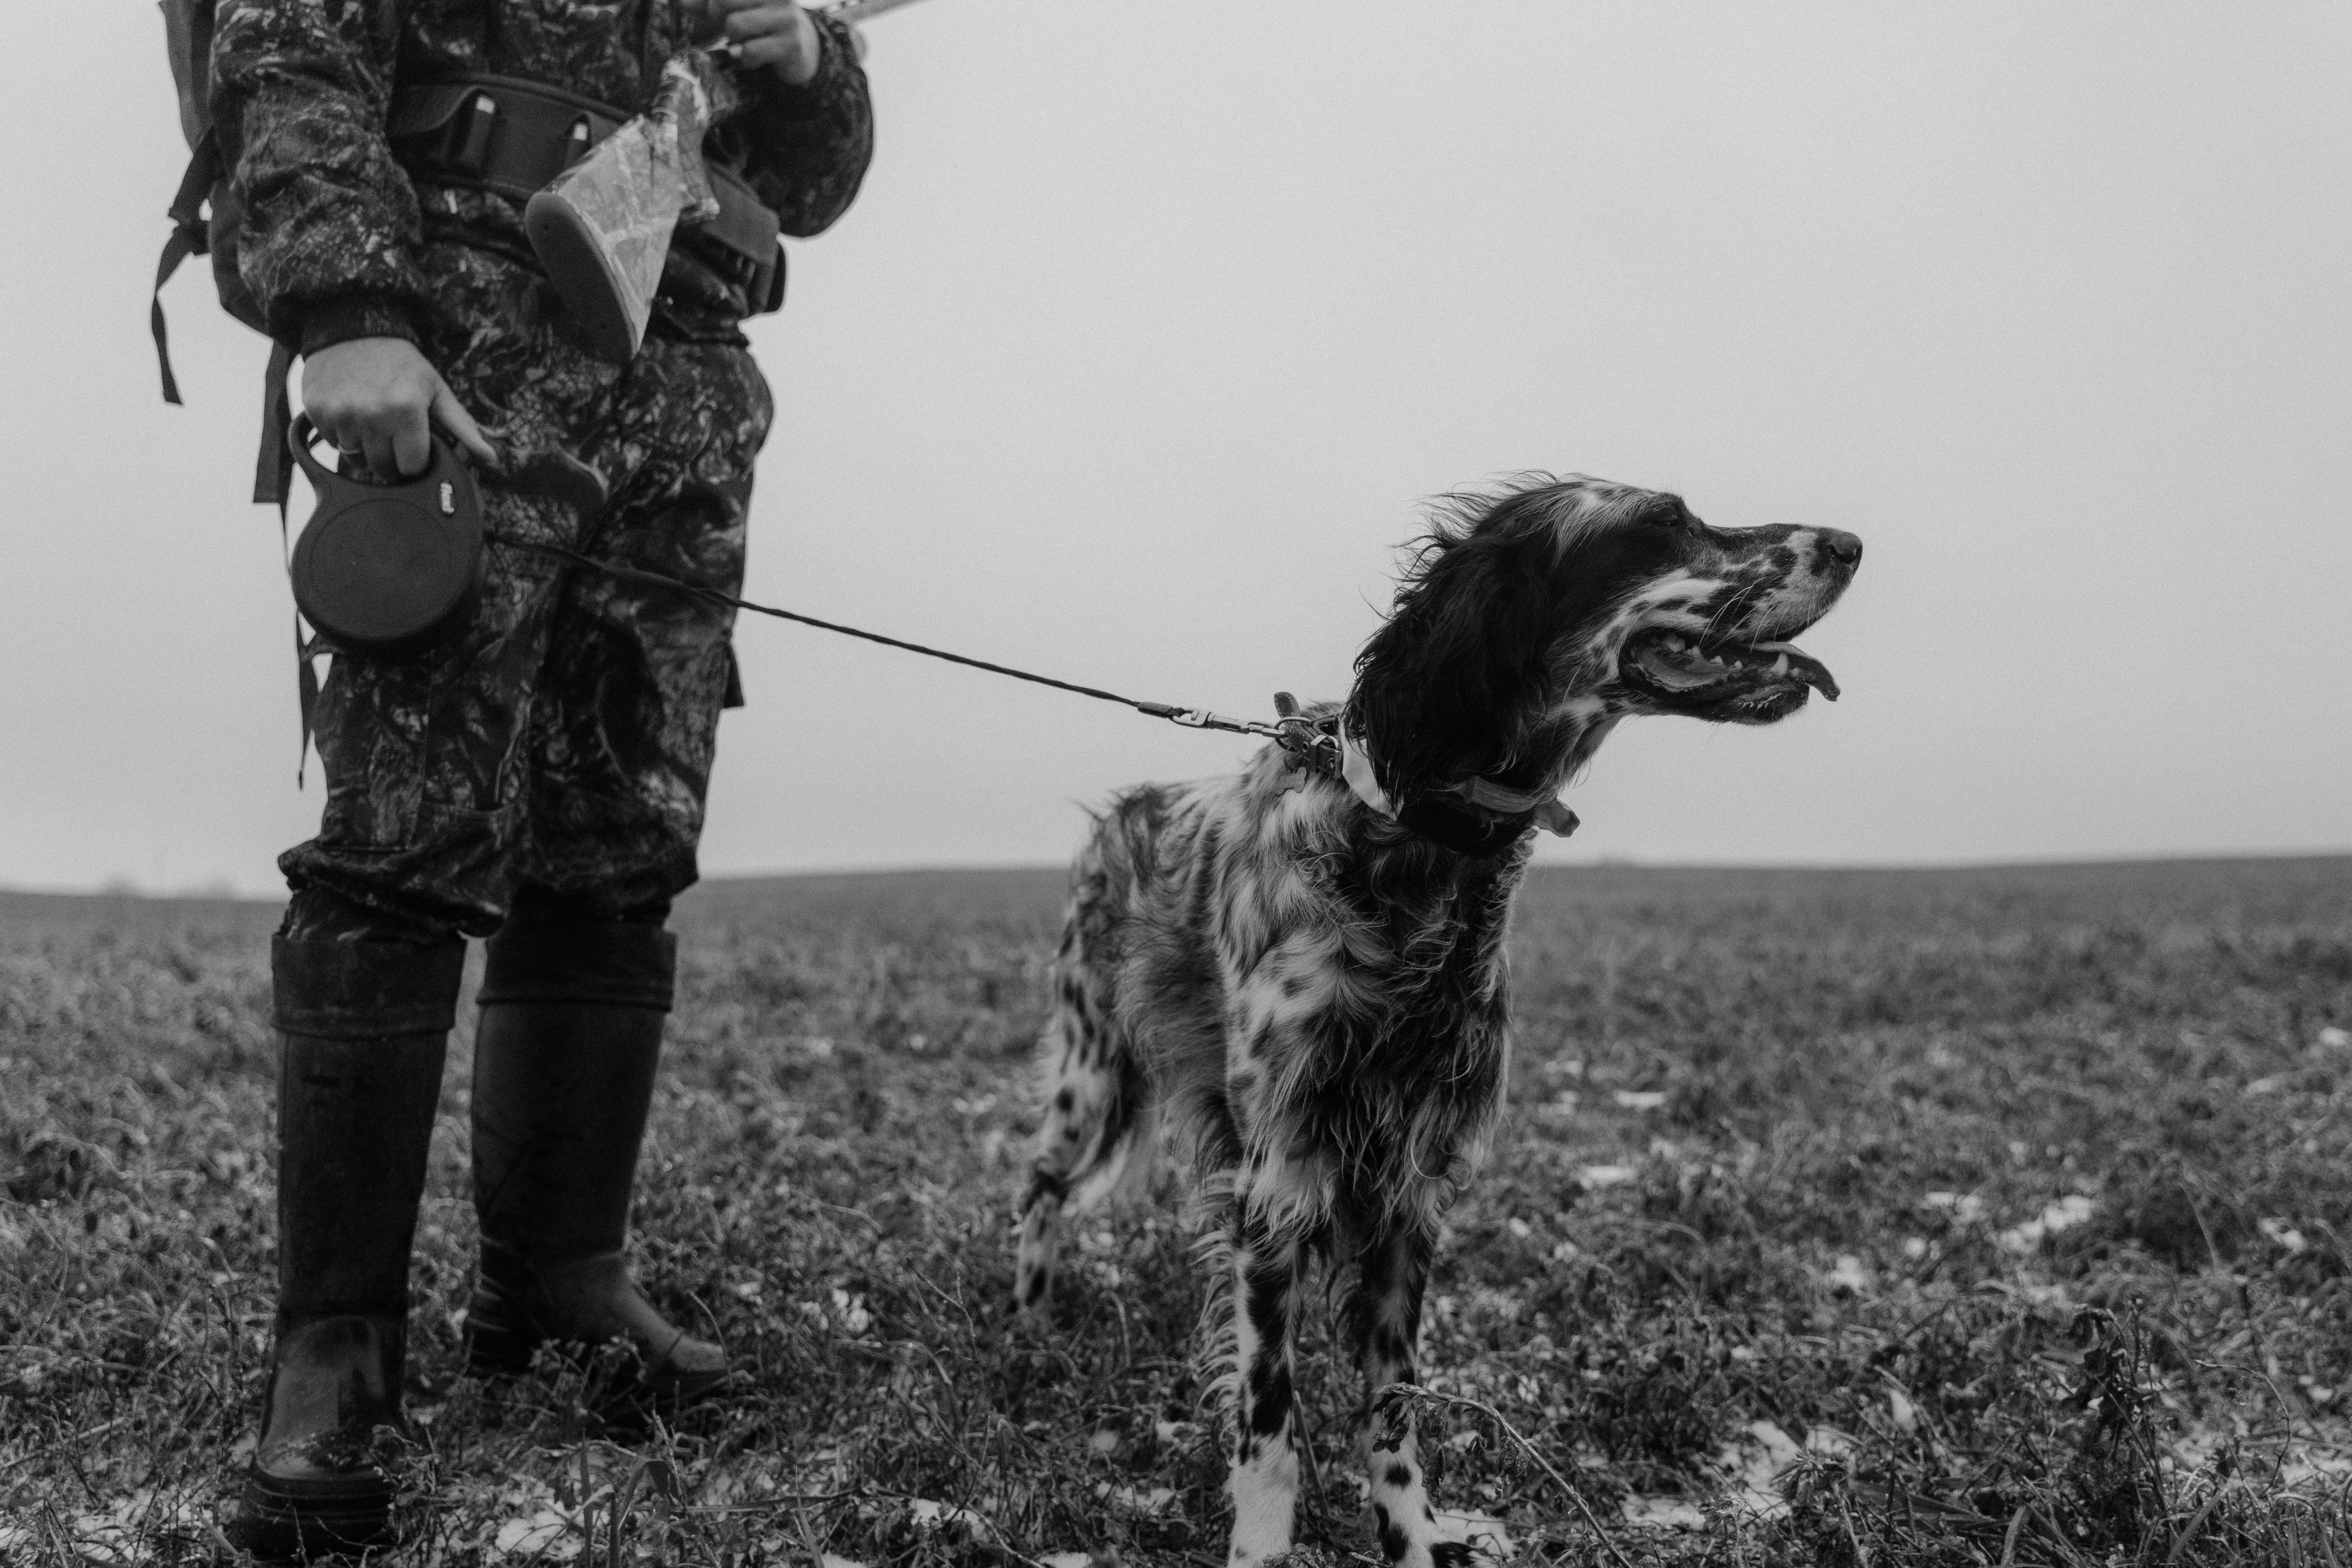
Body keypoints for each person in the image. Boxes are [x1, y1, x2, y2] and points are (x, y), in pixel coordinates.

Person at [207, 0, 873, 1553]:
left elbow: (820, 186)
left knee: (621, 836)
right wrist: (343, 310)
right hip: (461, 330)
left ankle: (556, 1290)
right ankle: (338, 1351)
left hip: (686, 365)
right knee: (404, 839)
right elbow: (291, 43)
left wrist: (817, 71)